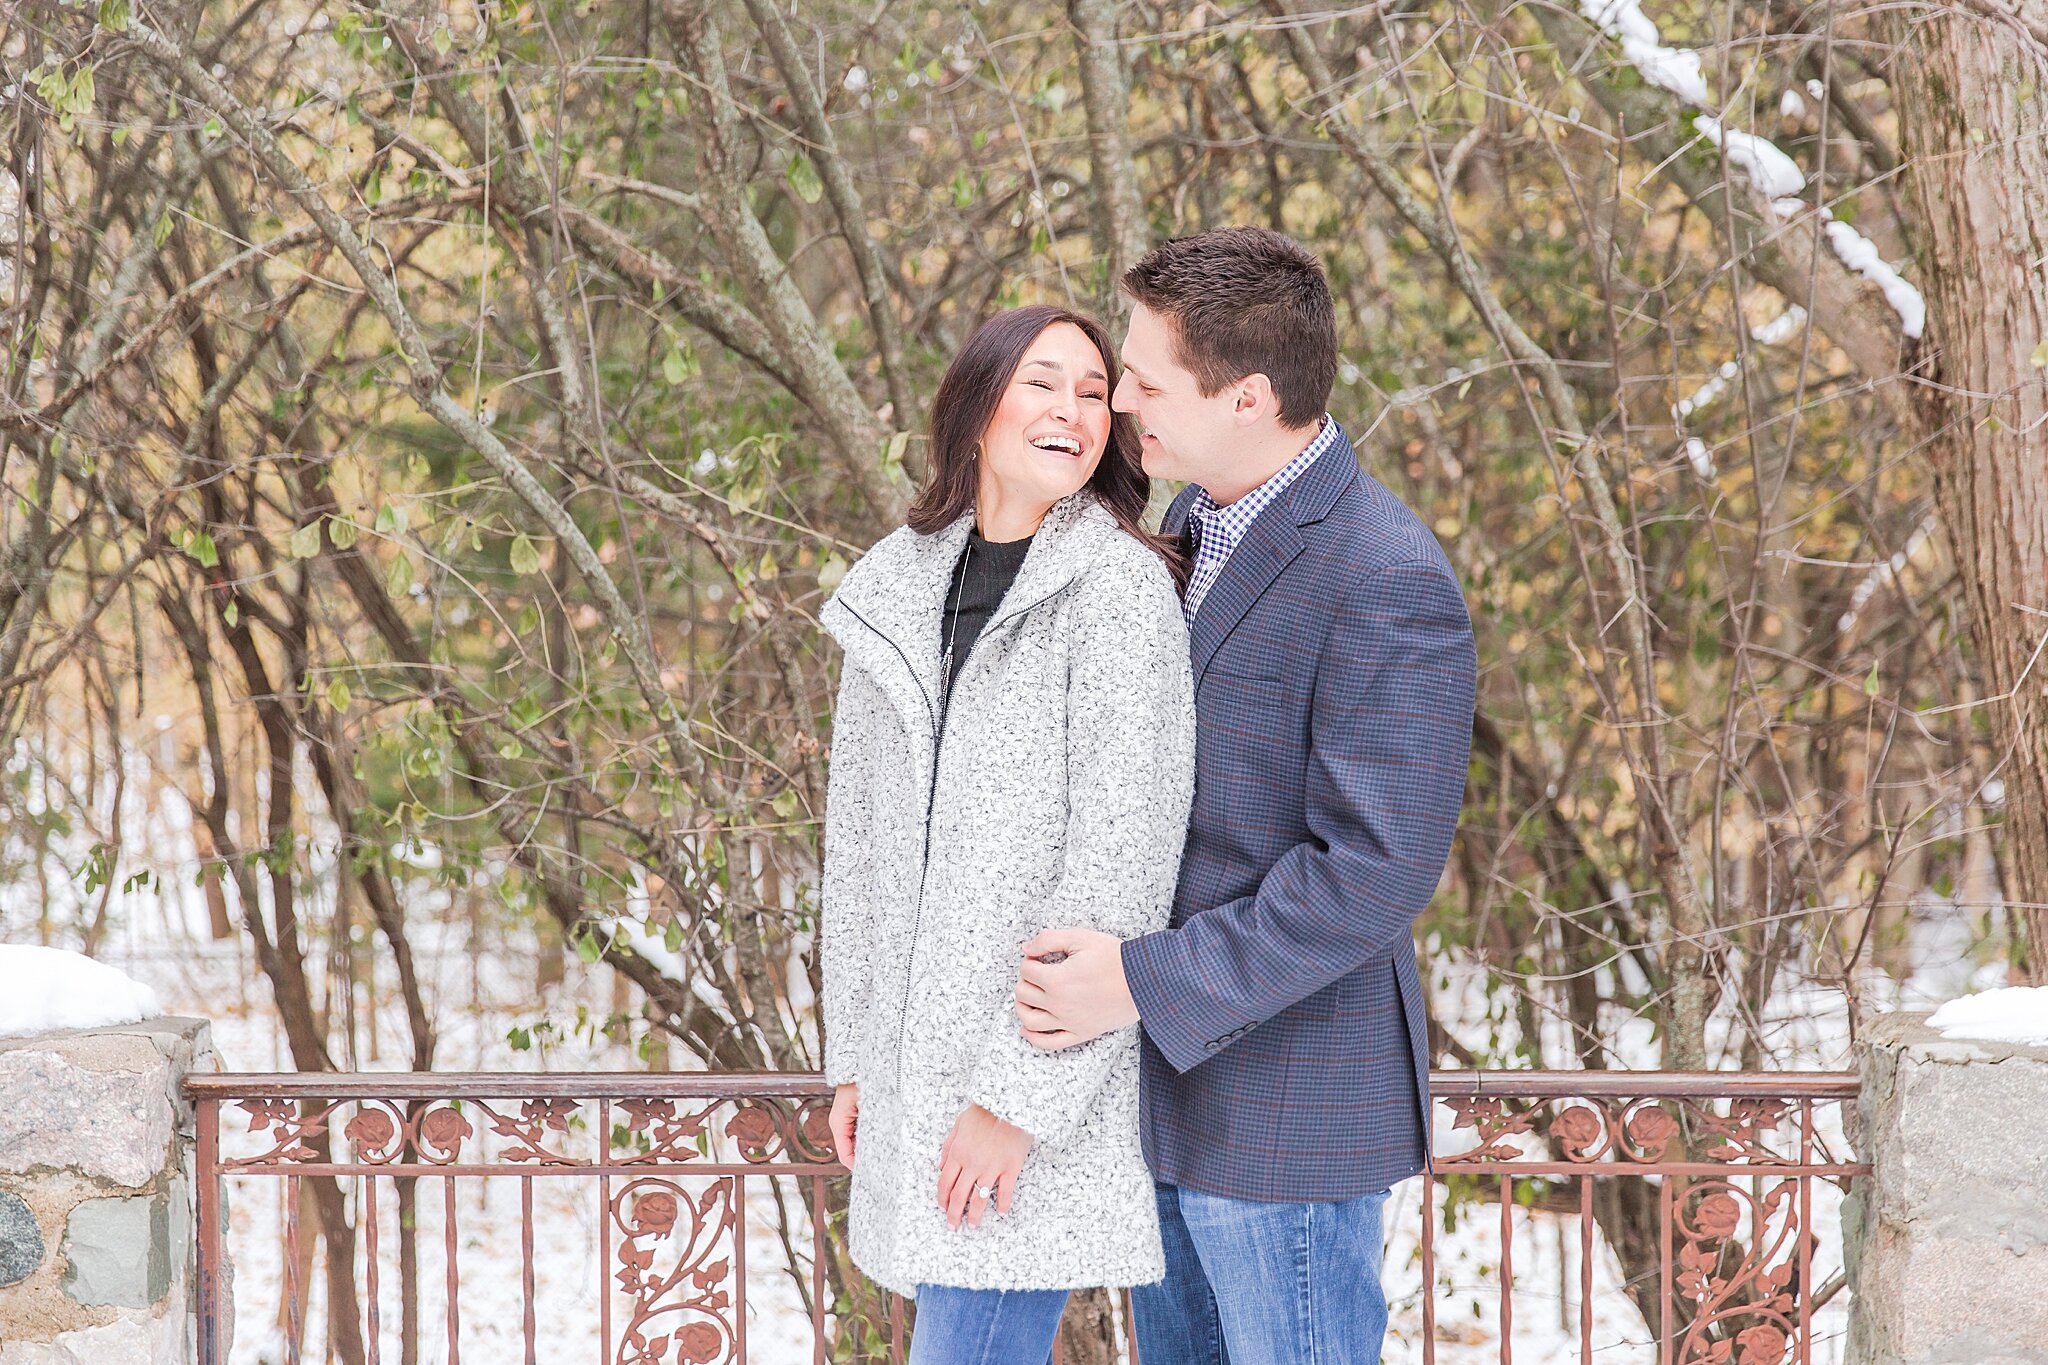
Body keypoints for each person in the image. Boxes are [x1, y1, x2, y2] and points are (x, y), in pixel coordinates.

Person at [1014, 227, 1478, 1364]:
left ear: (1249, 397)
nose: (1118, 399)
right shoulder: (1189, 523)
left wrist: (1138, 979)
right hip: (1167, 1097)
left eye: (1145, 379)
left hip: (1289, 1118)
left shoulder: (1384, 573)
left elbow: (1374, 870)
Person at [818, 304, 1196, 1364]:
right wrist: (854, 1057)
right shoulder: (893, 587)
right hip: (908, 1084)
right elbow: (853, 853)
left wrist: (1013, 1103)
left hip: (1021, 1097)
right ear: (978, 406)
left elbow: (1117, 880)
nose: (1072, 411)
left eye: (1091, 393)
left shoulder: (1120, 595)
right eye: (1042, 383)